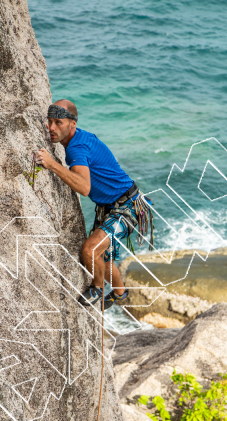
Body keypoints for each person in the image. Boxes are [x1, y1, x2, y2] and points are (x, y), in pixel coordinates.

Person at [35, 99, 153, 310]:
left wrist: (52, 164)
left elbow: (84, 187)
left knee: (90, 250)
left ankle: (97, 289)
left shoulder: (77, 148)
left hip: (129, 206)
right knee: (103, 257)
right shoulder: (81, 137)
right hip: (112, 204)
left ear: (72, 124)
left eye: (58, 123)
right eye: (49, 121)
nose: (51, 128)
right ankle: (120, 292)